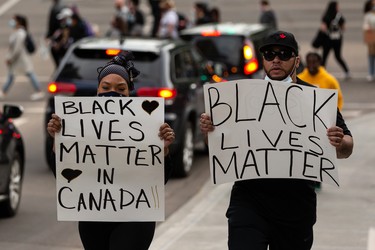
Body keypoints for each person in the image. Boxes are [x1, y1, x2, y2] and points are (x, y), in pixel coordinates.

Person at [199, 30, 354, 250]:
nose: (276, 60)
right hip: (249, 203)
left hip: (295, 208)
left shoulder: (315, 98)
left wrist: (339, 142)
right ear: (263, 59)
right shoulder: (239, 94)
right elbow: (217, 147)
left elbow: (347, 147)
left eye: (284, 54)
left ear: (296, 60)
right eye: (270, 55)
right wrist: (209, 133)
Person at [47, 51, 175, 249]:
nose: (112, 93)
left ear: (128, 92)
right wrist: (58, 141)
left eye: (120, 88)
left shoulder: (145, 126)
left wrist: (163, 150)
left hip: (135, 218)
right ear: (97, 90)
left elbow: (159, 180)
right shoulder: (80, 127)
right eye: (105, 87)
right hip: (93, 219)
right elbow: (64, 177)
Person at [0, 14, 45, 101]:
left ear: (18, 22)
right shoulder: (18, 32)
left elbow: (17, 48)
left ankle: (39, 91)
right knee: (12, 75)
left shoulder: (20, 33)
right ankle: (3, 91)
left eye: (14, 20)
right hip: (19, 60)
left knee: (29, 74)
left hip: (21, 60)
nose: (12, 22)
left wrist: (10, 58)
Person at [320, 1, 351, 79]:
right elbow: (343, 28)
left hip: (327, 40)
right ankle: (347, 71)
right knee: (338, 56)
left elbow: (323, 28)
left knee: (324, 57)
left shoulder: (326, 16)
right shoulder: (339, 16)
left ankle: (321, 73)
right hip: (337, 40)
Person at [45, 0, 66, 68]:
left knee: (57, 58)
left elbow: (51, 24)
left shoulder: (54, 9)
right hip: (63, 38)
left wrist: (48, 36)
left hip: (57, 38)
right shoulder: (64, 6)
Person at [363, 0, 375, 81]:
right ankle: (371, 73)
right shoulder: (368, 15)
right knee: (371, 56)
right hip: (372, 37)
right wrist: (368, 28)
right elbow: (365, 25)